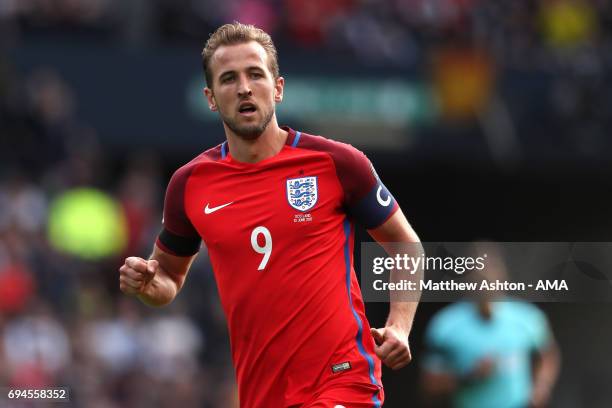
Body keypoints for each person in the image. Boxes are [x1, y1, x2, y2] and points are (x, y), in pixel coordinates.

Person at [119, 22, 420, 408]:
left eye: (255, 74)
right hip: (262, 393)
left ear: (277, 87)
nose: (244, 87)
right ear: (211, 98)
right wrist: (147, 284)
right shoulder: (190, 184)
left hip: (344, 380)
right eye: (229, 79)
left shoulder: (337, 162)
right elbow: (168, 277)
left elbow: (404, 243)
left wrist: (399, 325)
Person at [421, 247, 560, 408]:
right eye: (478, 270)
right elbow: (429, 386)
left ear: (503, 274)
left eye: (491, 268)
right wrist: (468, 376)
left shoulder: (528, 318)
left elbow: (548, 354)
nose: (486, 276)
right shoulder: (445, 325)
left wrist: (541, 386)